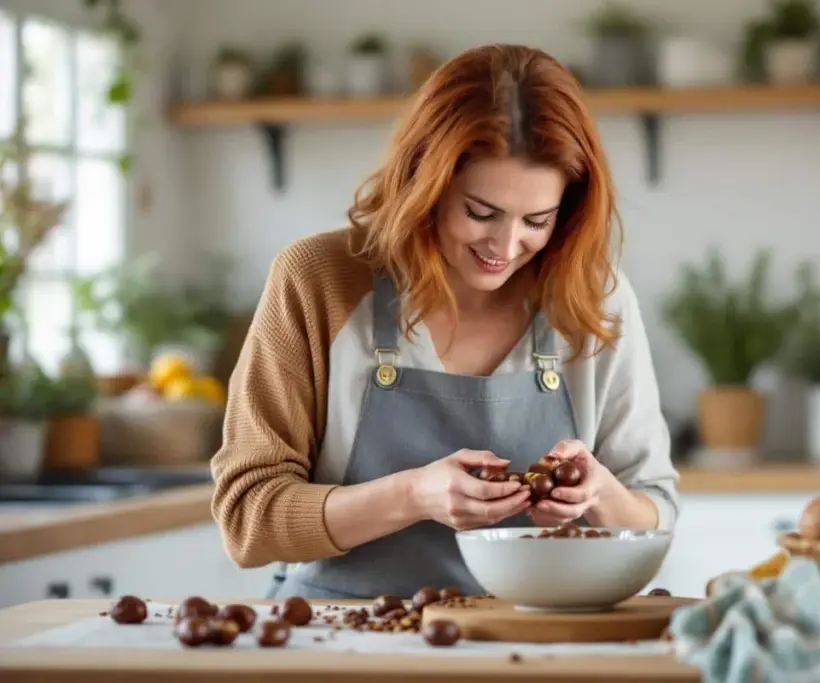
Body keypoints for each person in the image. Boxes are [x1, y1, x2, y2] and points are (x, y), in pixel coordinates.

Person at [210, 43, 680, 600]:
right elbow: (247, 520)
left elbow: (654, 512)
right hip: (338, 640)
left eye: (537, 220)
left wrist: (600, 497)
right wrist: (412, 496)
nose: (505, 247)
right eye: (480, 213)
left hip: (534, 642)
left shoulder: (594, 299)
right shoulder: (319, 280)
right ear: (424, 184)